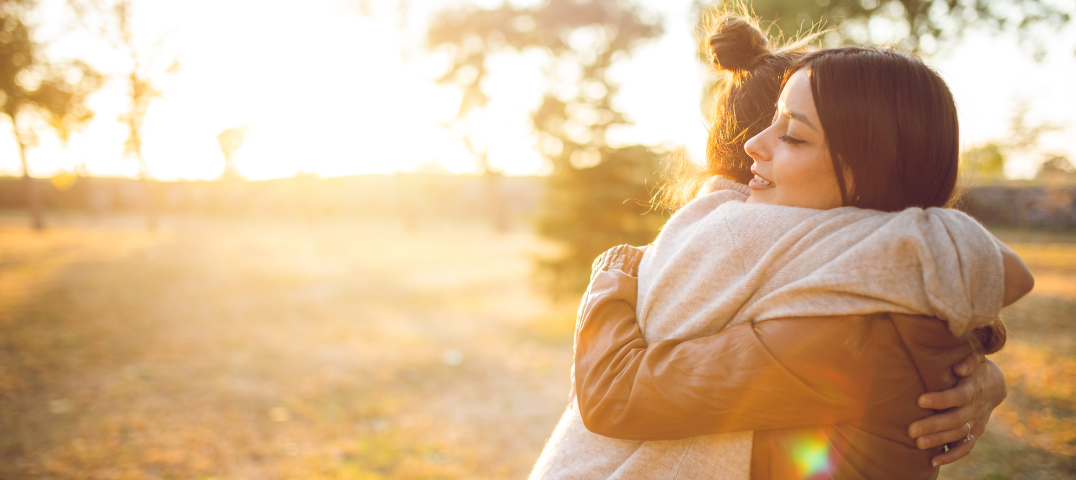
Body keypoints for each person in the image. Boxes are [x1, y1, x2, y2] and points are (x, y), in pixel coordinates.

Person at [530, 16, 1028, 480]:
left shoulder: (852, 334)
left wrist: (614, 270)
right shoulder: (864, 293)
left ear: (871, 168)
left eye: (792, 135)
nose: (755, 146)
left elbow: (619, 395)